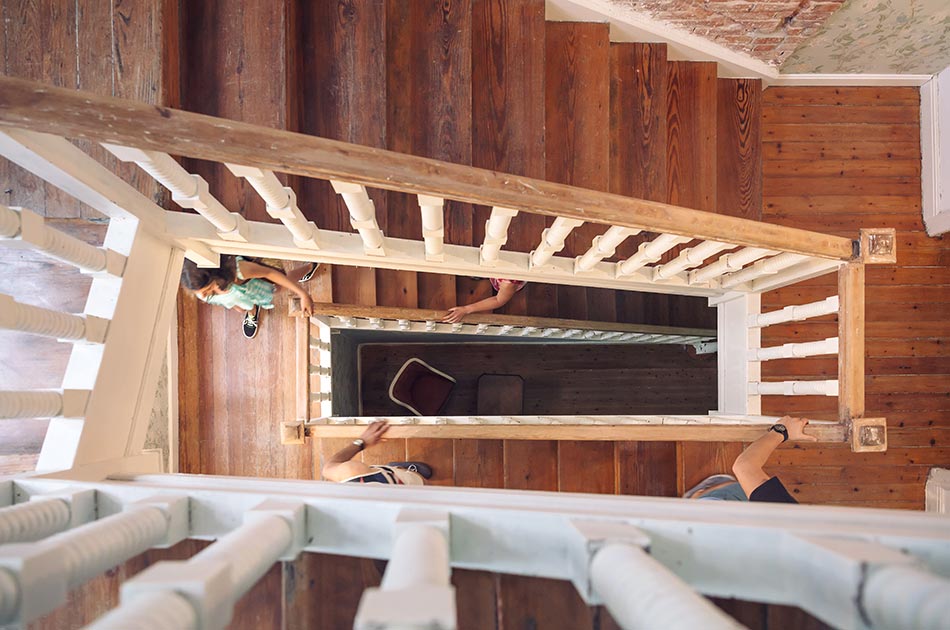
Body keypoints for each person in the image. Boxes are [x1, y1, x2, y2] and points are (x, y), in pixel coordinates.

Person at [684, 416, 816, 503]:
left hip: (707, 518)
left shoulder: (788, 526)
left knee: (743, 488)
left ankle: (701, 496)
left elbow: (744, 467)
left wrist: (782, 430)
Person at [181, 255, 318, 339]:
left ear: (216, 276)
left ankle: (309, 266)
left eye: (208, 289)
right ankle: (252, 311)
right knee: (245, 306)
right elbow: (224, 300)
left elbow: (269, 273)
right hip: (243, 297)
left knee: (278, 287)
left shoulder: (239, 271)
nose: (202, 296)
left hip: (257, 283)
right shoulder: (203, 291)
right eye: (198, 293)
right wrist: (236, 306)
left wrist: (303, 294)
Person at [321, 420, 433, 485]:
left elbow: (328, 468)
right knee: (421, 483)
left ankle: (397, 470)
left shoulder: (354, 475)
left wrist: (362, 442)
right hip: (402, 491)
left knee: (419, 483)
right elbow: (328, 468)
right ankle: (402, 472)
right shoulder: (354, 474)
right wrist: (362, 442)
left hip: (383, 482)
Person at [443, 278, 527, 323]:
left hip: (507, 285)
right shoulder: (506, 282)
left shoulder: (509, 283)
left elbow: (498, 300)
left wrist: (466, 309)